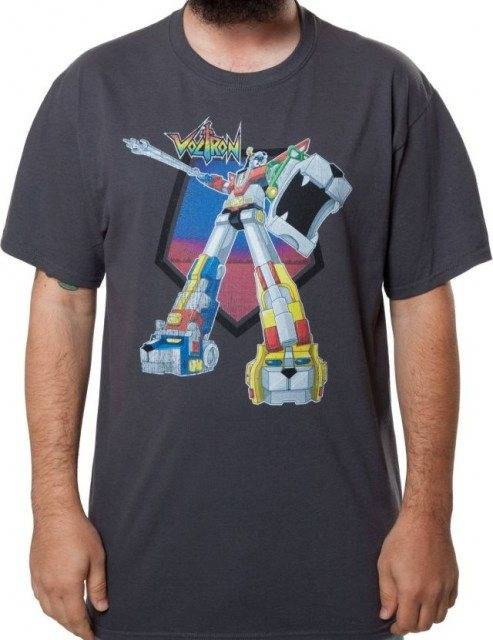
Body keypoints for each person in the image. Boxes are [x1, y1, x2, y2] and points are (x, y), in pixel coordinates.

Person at [2, 1, 490, 639]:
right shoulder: (94, 90)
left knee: (271, 286)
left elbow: (421, 304)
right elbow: (62, 301)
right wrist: (53, 509)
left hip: (350, 572)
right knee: (207, 278)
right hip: (139, 571)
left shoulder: (387, 88)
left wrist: (428, 515)